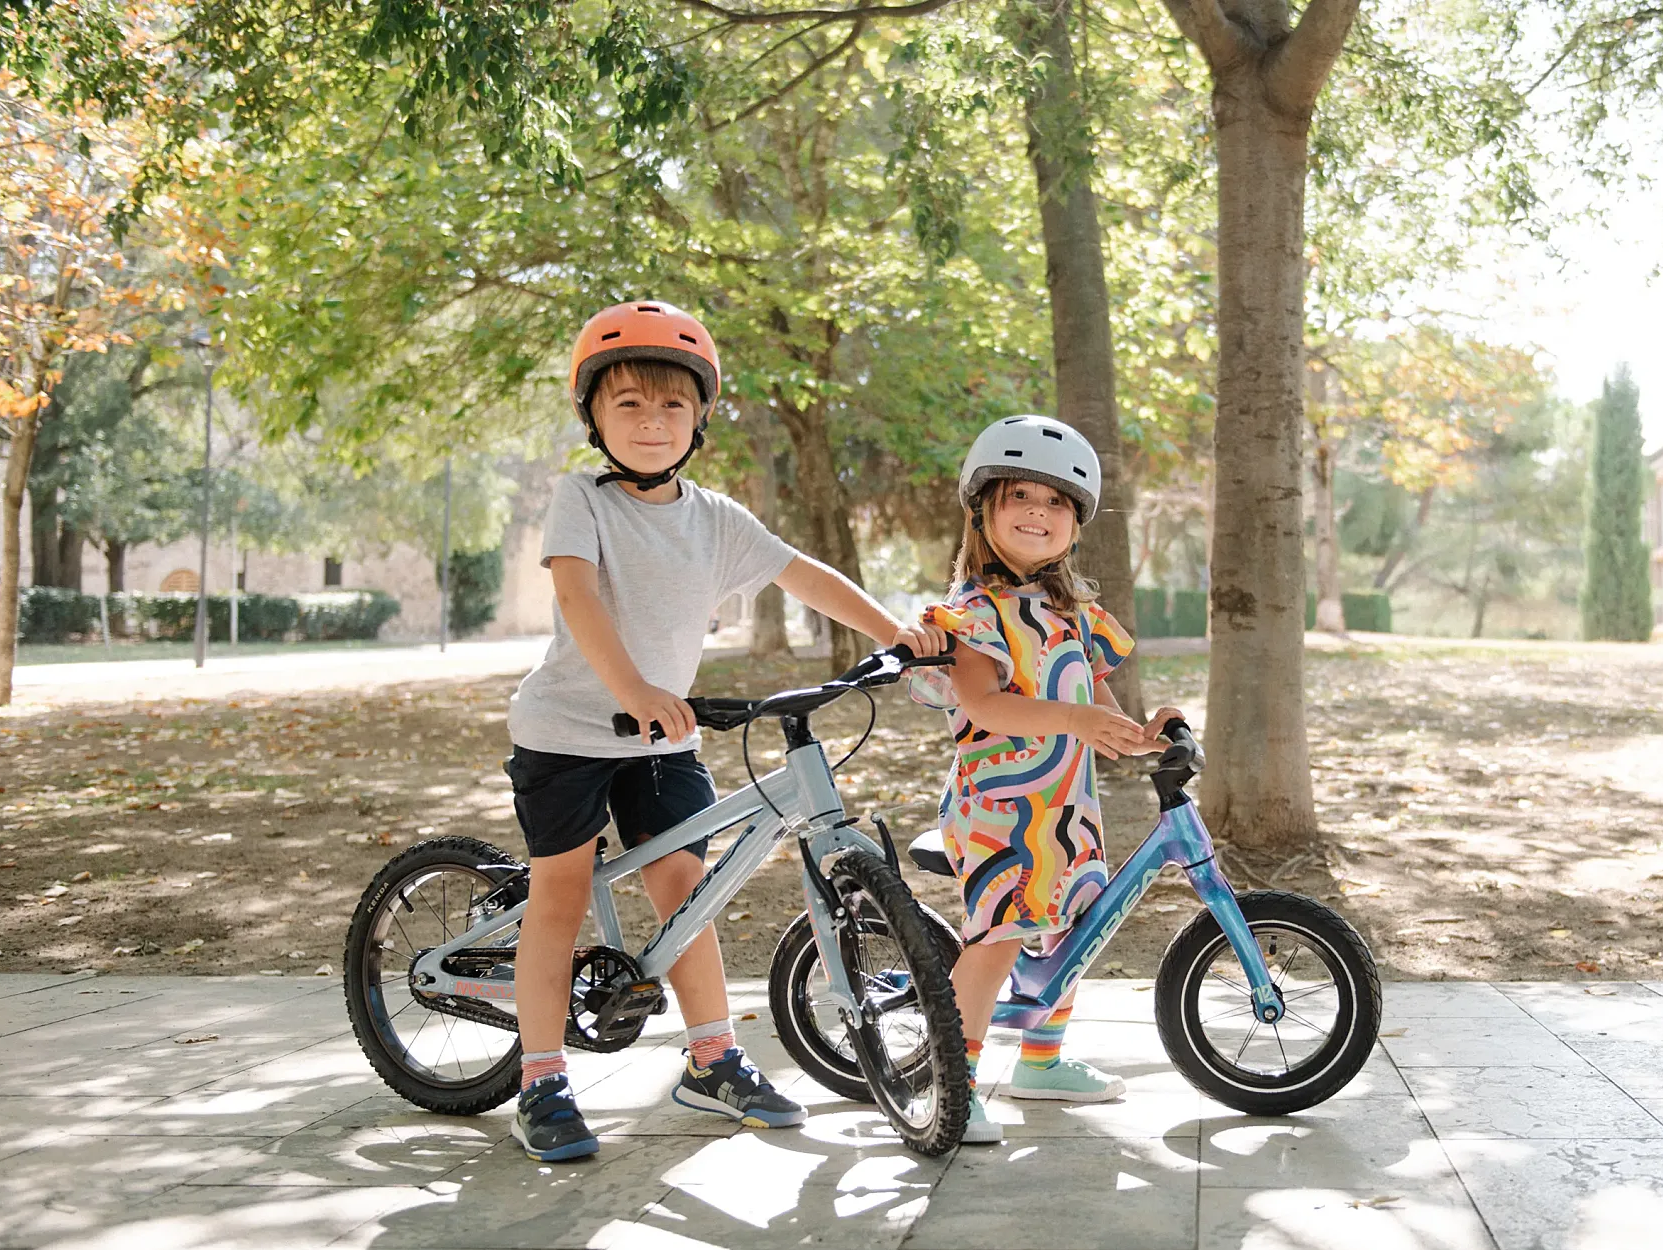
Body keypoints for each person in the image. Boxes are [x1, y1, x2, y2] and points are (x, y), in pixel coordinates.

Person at [505, 300, 945, 1161]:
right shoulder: (579, 499)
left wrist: (893, 633)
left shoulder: (713, 517)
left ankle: (712, 1059)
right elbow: (576, 596)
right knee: (559, 897)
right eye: (627, 403)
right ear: (592, 415)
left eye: (672, 404)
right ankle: (541, 1079)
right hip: (567, 731)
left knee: (684, 887)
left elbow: (804, 574)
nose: (650, 421)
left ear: (701, 416)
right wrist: (632, 684)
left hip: (660, 738)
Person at [911, 415, 1182, 1144]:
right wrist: (1075, 720)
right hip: (998, 809)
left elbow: (1098, 709)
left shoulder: (1072, 615)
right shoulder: (973, 611)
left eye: (1056, 501)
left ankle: (1041, 1059)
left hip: (1066, 809)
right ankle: (954, 1082)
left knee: (1068, 931)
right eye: (1020, 496)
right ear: (983, 510)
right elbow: (983, 703)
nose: (1038, 511)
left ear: (1076, 521)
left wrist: (1140, 731)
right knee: (1000, 936)